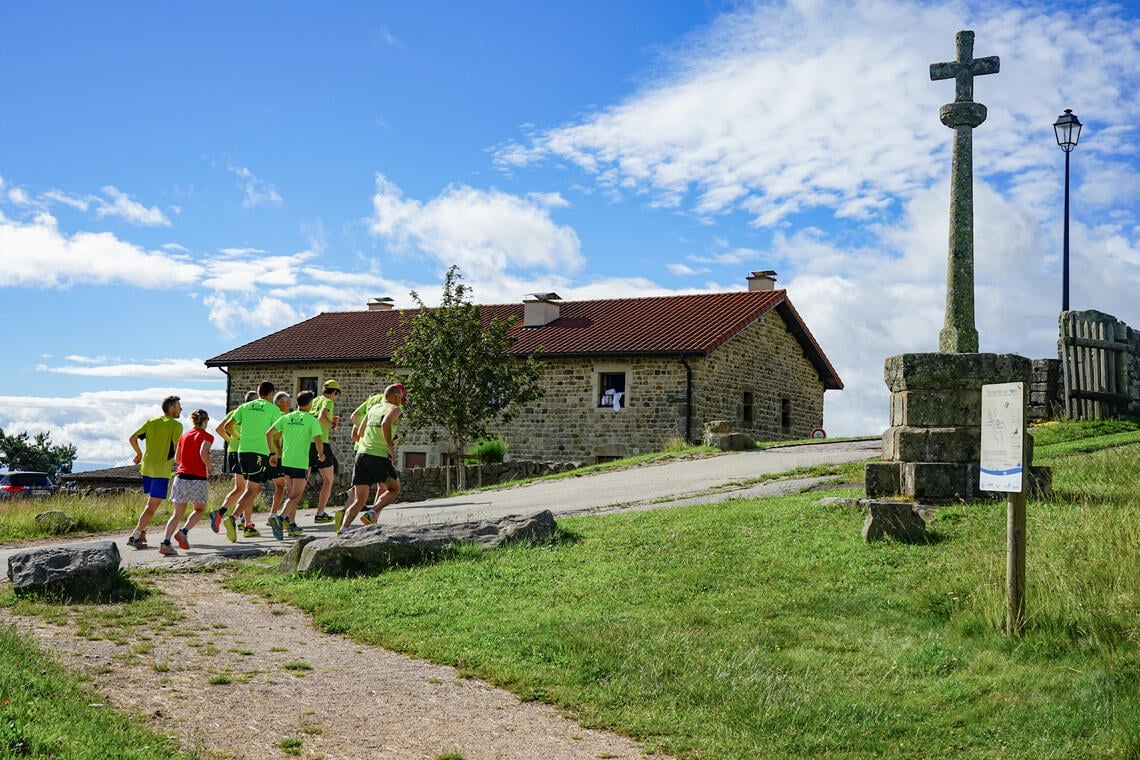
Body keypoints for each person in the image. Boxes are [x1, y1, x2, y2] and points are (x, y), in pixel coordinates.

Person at [215, 381, 282, 541]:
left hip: (242, 452)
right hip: (259, 453)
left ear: (259, 392)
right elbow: (276, 433)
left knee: (252, 488)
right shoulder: (273, 409)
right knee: (252, 490)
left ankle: (241, 521)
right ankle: (233, 519)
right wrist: (274, 452)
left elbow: (227, 426)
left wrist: (239, 437)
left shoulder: (244, 407)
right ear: (271, 394)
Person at [337, 382, 404, 530]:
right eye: (400, 398)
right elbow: (386, 424)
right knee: (394, 489)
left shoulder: (373, 408)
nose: (401, 401)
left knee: (359, 500)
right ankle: (372, 512)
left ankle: (343, 529)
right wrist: (390, 447)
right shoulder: (395, 409)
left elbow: (359, 432)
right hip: (378, 455)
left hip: (361, 455)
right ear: (395, 397)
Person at [266, 390, 325, 540]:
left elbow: (269, 433)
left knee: (290, 494)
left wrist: (274, 453)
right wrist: (321, 454)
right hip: (300, 462)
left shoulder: (287, 417)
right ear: (310, 404)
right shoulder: (311, 419)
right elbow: (318, 440)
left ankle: (291, 524)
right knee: (296, 496)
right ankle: (279, 519)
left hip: (286, 461)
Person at [126, 395, 183, 549]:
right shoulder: (176, 426)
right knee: (152, 506)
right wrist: (181, 464)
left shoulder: (151, 422)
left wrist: (139, 454)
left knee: (150, 503)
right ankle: (135, 536)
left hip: (146, 468)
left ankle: (142, 531)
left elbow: (133, 438)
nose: (181, 409)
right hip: (160, 469)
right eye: (179, 406)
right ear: (171, 408)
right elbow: (176, 449)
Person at [159, 408, 214, 557]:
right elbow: (203, 452)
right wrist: (209, 466)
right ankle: (183, 532)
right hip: (197, 478)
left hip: (181, 476)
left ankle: (166, 543)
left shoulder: (184, 436)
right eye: (207, 420)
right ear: (204, 421)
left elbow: (177, 459)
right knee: (199, 509)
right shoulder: (207, 436)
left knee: (177, 514)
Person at [210, 390, 257, 541]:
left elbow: (220, 428)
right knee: (247, 489)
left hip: (233, 452)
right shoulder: (251, 413)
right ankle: (227, 515)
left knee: (241, 488)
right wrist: (239, 438)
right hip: (244, 451)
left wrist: (230, 440)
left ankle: (246, 522)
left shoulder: (235, 411)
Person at [307, 379, 341, 524]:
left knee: (302, 480)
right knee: (329, 479)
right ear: (334, 392)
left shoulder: (314, 401)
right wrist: (333, 425)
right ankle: (320, 513)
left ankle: (287, 515)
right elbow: (322, 418)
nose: (336, 397)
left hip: (307, 442)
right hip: (321, 442)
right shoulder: (328, 402)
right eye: (337, 394)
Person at [266, 391, 293, 520]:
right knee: (283, 486)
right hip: (278, 456)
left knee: (254, 486)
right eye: (287, 402)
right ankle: (278, 515)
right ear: (281, 403)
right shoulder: (282, 416)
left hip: (266, 452)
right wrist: (278, 452)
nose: (289, 405)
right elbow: (276, 437)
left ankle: (245, 517)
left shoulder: (272, 413)